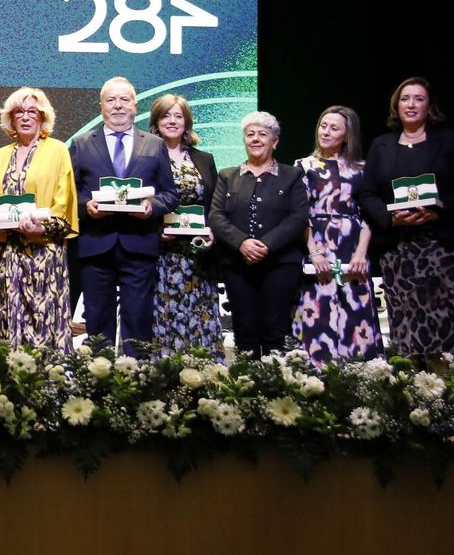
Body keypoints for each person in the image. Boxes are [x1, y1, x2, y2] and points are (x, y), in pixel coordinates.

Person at [359, 77, 454, 357]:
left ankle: (444, 391)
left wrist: (437, 210)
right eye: (405, 98)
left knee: (442, 324)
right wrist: (391, 218)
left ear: (429, 106)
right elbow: (368, 194)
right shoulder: (381, 145)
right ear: (396, 104)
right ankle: (409, 390)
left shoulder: (450, 141)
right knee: (404, 324)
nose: (411, 104)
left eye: (418, 99)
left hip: (442, 248)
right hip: (398, 251)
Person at [70, 76, 177, 353]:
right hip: (96, 244)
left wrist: (152, 207)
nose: (118, 105)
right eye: (111, 100)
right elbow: (70, 193)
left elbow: (170, 194)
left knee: (138, 320)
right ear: (101, 106)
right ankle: (100, 383)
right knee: (97, 322)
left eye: (124, 99)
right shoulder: (81, 144)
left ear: (135, 105)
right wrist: (86, 207)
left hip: (139, 244)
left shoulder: (154, 144)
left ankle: (135, 386)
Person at [0, 87, 77, 351]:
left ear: (42, 117)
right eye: (18, 112)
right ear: (10, 119)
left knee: (45, 326)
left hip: (44, 254)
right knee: (8, 323)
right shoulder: (0, 155)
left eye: (31, 112)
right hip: (9, 256)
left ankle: (51, 386)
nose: (25, 117)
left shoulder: (58, 150)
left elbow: (64, 204)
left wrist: (41, 228)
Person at [208, 111, 308, 355]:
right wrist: (242, 243)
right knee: (244, 331)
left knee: (276, 330)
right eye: (250, 134)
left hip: (281, 264)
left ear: (275, 141)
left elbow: (298, 217)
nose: (255, 139)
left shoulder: (292, 175)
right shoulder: (227, 176)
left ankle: (276, 389)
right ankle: (247, 389)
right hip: (237, 264)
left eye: (262, 134)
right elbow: (216, 216)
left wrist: (266, 245)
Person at [293, 106, 382, 366]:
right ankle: (316, 377)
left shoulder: (361, 169)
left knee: (356, 315)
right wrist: (314, 252)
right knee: (318, 313)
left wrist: (361, 252)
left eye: (334, 128)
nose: (326, 132)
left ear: (347, 135)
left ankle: (360, 378)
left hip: (352, 247)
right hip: (316, 245)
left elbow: (369, 214)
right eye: (323, 126)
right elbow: (300, 214)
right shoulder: (303, 166)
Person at [147, 94, 223, 358]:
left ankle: (204, 381)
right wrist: (158, 232)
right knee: (165, 323)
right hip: (163, 260)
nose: (172, 121)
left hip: (197, 259)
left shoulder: (204, 159)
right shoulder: (145, 157)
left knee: (200, 323)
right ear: (156, 122)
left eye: (178, 116)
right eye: (166, 115)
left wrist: (211, 232)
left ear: (186, 123)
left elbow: (213, 204)